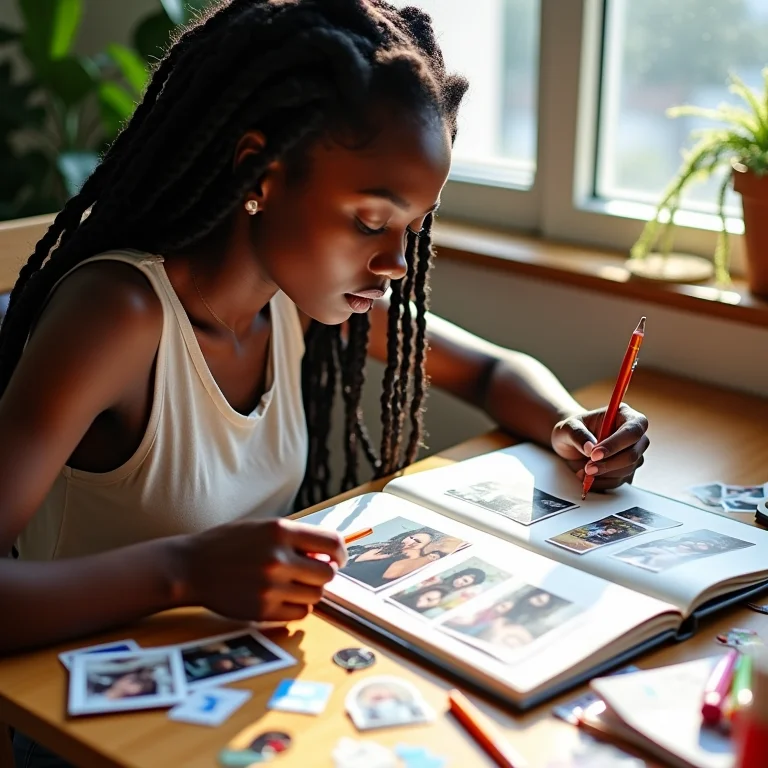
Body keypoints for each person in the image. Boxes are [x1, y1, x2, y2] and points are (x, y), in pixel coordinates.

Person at [1, 1, 649, 763]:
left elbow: (491, 369)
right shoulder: (122, 315)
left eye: (412, 228)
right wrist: (183, 572)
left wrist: (572, 424)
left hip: (239, 700)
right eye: (371, 222)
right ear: (261, 171)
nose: (396, 262)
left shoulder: (291, 299)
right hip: (86, 725)